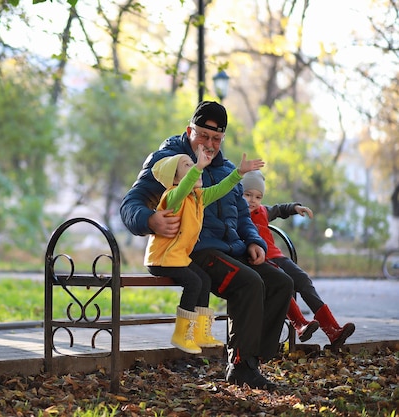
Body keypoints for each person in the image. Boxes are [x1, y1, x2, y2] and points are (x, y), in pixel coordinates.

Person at [120, 100, 293, 391]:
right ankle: (241, 365)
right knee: (248, 283)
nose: (210, 144)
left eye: (217, 139)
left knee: (280, 282)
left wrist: (252, 241)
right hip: (192, 253)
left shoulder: (226, 169)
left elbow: (242, 215)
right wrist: (150, 220)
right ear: (190, 130)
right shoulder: (170, 161)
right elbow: (130, 204)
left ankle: (253, 360)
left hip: (231, 251)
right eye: (204, 136)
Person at [146, 146, 265, 354]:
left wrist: (239, 173)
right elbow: (183, 188)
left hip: (177, 258)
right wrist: (199, 167)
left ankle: (200, 333)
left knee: (205, 281)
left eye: (194, 165)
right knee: (194, 282)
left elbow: (221, 188)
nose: (194, 167)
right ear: (174, 178)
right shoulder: (173, 196)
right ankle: (182, 335)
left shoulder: (198, 198)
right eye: (187, 165)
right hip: (161, 259)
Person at [241, 170, 356, 348]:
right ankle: (300, 324)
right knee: (282, 282)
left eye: (258, 196)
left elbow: (280, 209)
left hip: (276, 255)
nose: (252, 200)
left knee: (303, 279)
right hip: (258, 260)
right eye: (247, 194)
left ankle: (332, 329)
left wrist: (296, 207)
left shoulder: (263, 211)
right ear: (239, 194)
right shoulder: (237, 214)